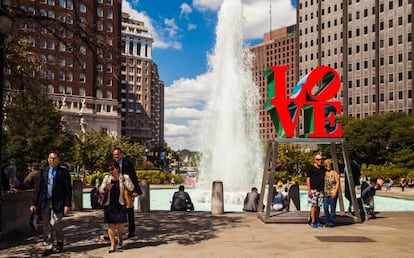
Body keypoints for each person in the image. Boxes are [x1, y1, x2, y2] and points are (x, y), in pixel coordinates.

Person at [29, 151, 72, 256]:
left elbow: (68, 190)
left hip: (58, 201)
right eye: (50, 158)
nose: (52, 160)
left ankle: (60, 241)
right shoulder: (43, 171)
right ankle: (49, 246)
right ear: (48, 159)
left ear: (58, 160)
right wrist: (34, 203)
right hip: (45, 201)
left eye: (54, 158)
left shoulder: (63, 172)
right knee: (46, 225)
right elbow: (38, 188)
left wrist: (67, 204)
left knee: (55, 223)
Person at [99, 160, 134, 253]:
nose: (111, 171)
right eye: (109, 169)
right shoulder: (107, 178)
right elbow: (101, 189)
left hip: (120, 203)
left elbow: (131, 188)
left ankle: (120, 236)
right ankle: (112, 245)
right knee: (110, 225)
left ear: (117, 169)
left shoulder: (125, 177)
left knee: (120, 225)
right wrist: (105, 188)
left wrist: (124, 182)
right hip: (109, 204)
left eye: (112, 169)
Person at [112, 147, 142, 238]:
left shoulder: (127, 163)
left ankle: (131, 231)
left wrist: (136, 190)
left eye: (117, 154)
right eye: (114, 155)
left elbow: (134, 177)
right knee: (116, 211)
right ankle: (115, 233)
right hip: (116, 189)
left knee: (129, 210)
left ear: (121, 154)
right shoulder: (112, 164)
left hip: (127, 189)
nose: (116, 156)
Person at [306, 154, 325, 228]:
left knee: (318, 206)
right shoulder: (311, 168)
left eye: (321, 159)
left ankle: (317, 220)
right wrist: (309, 190)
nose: (320, 161)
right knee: (313, 206)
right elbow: (308, 179)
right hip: (314, 190)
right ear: (315, 160)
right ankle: (313, 221)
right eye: (318, 159)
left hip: (321, 190)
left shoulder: (323, 168)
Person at [323, 159, 340, 227]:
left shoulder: (334, 173)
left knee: (332, 208)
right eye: (327, 165)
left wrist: (335, 191)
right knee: (325, 207)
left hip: (333, 192)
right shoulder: (324, 173)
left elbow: (337, 182)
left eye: (329, 165)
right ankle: (327, 221)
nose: (328, 166)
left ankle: (331, 221)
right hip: (326, 193)